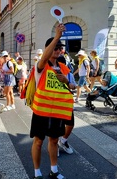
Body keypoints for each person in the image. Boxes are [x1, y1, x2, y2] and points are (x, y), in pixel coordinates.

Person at [31, 24, 74, 179]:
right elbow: (44, 57)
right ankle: (37, 172)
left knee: (54, 141)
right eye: (54, 47)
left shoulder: (63, 68)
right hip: (41, 111)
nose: (57, 50)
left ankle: (54, 170)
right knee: (38, 142)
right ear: (48, 48)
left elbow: (72, 86)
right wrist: (57, 36)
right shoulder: (40, 65)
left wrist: (67, 82)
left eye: (59, 48)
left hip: (57, 111)